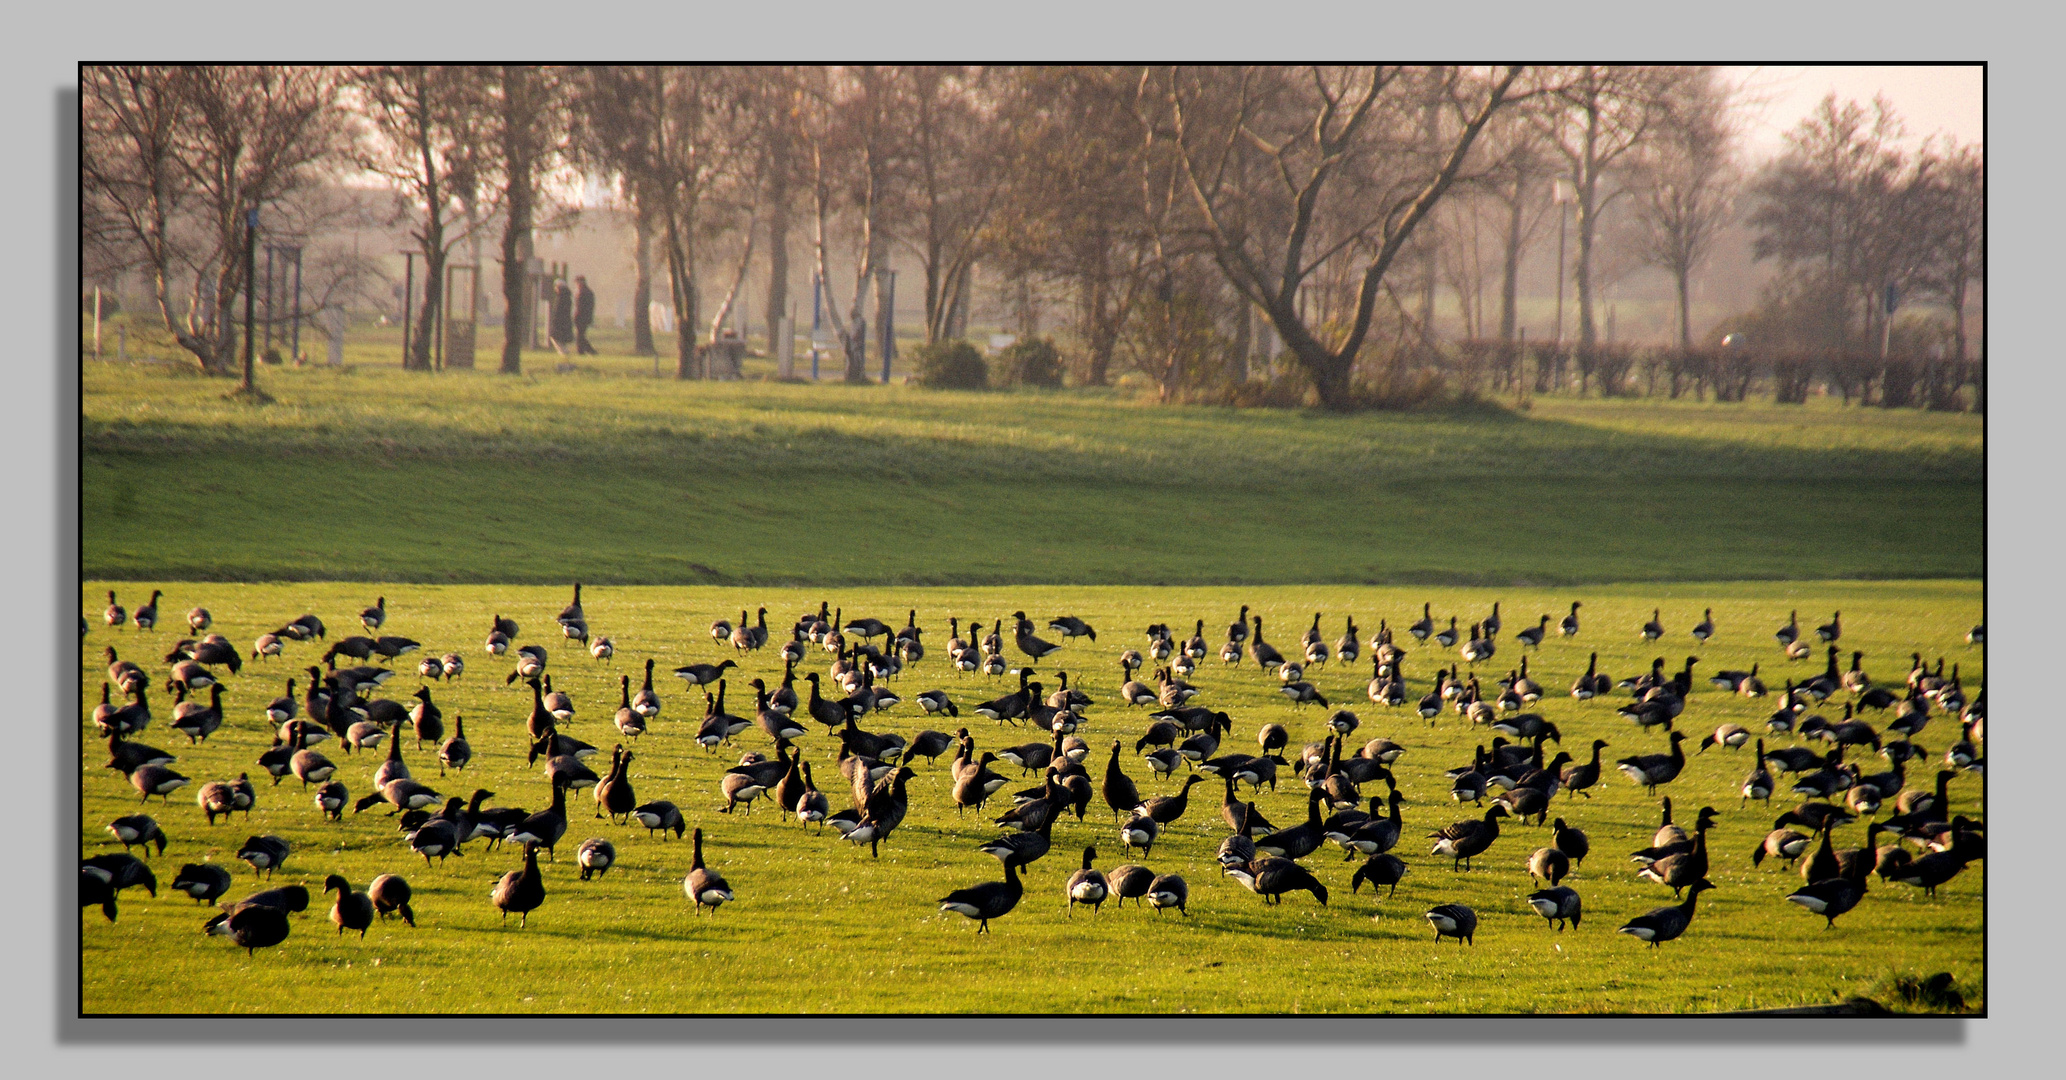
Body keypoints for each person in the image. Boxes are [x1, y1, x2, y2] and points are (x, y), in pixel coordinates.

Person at [549, 280, 575, 356]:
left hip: (559, 322)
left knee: (554, 337)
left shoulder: (561, 297)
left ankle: (564, 352)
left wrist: (554, 319)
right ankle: (564, 352)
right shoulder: (567, 296)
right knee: (561, 339)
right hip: (565, 321)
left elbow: (558, 310)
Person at [573, 276, 597, 355]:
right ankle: (582, 351)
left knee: (580, 336)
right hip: (583, 317)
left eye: (577, 282)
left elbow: (582, 307)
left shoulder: (584, 292)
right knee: (580, 336)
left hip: (582, 317)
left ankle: (589, 351)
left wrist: (577, 315)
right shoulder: (586, 291)